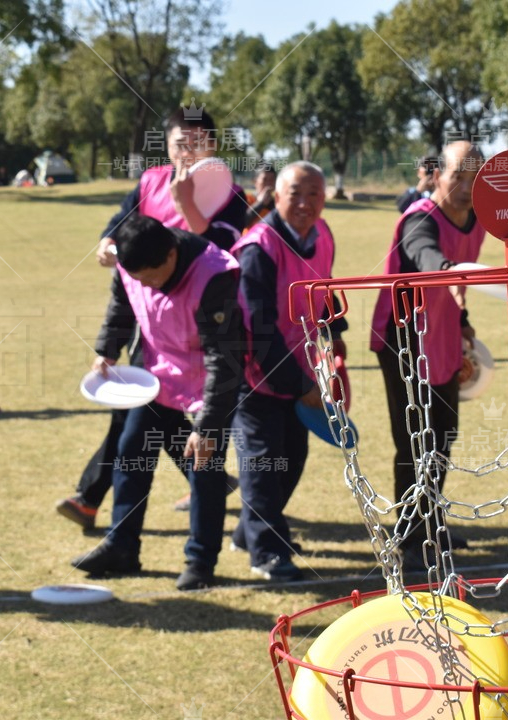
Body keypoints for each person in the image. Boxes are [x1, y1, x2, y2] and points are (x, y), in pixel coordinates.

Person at [55, 106, 246, 529]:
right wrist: (106, 244)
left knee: (145, 414)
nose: (187, 153)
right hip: (151, 321)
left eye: (197, 144)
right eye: (181, 143)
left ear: (212, 146)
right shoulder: (151, 180)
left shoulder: (229, 193)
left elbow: (218, 251)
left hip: (203, 323)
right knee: (143, 412)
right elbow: (119, 225)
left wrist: (185, 204)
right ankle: (195, 482)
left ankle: (94, 497)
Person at [71, 214, 243, 590]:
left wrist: (208, 426)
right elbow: (122, 303)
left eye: (151, 276)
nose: (145, 285)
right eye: (138, 277)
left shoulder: (214, 275)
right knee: (131, 450)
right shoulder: (129, 261)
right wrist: (107, 350)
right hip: (155, 370)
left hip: (208, 376)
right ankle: (122, 546)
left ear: (170, 254)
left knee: (204, 465)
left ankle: (200, 561)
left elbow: (224, 357)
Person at [370, 141, 485, 571]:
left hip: (442, 334)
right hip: (403, 337)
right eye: (459, 175)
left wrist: (463, 318)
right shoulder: (419, 219)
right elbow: (426, 256)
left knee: (443, 434)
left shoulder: (478, 220)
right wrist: (447, 272)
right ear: (437, 175)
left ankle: (430, 519)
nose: (468, 186)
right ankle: (410, 534)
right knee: (414, 440)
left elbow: (458, 277)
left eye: (477, 177)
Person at [228, 161, 346, 582]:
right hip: (254, 373)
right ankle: (266, 552)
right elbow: (256, 328)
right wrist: (301, 386)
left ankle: (250, 531)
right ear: (275, 196)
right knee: (263, 464)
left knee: (292, 459)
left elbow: (325, 290)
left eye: (314, 193)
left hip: (300, 367)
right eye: (295, 192)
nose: (305, 202)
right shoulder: (259, 247)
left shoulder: (323, 234)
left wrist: (336, 335)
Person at [244, 164, 277, 230]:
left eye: (272, 180)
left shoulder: (278, 203)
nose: (268, 183)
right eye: (265, 180)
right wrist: (260, 203)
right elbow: (243, 222)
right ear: (255, 182)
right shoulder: (247, 199)